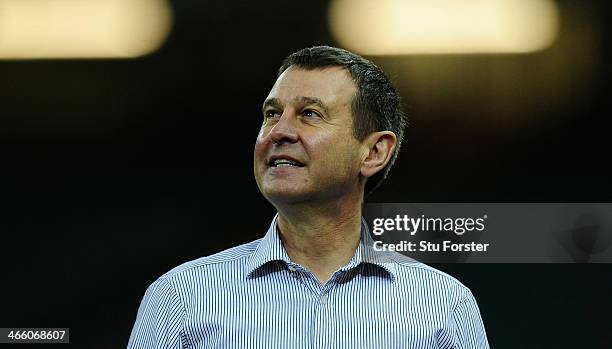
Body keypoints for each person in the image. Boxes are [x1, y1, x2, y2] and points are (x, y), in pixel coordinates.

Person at [127, 46, 490, 348]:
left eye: (310, 114)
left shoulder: (444, 307)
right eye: (272, 114)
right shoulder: (179, 299)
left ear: (374, 152)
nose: (280, 131)